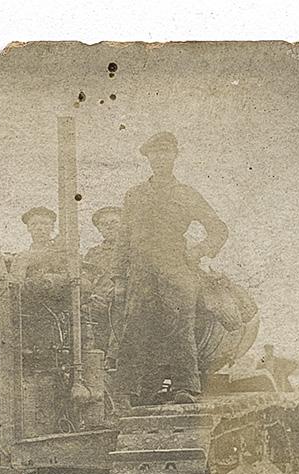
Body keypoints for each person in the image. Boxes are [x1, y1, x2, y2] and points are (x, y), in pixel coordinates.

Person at [115, 131, 229, 405]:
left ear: (175, 156)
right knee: (135, 329)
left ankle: (185, 388)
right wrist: (118, 276)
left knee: (180, 328)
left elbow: (218, 230)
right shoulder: (135, 195)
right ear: (148, 157)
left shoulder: (186, 194)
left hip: (176, 269)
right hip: (141, 272)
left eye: (166, 152)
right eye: (155, 153)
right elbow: (123, 236)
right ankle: (128, 393)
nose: (160, 158)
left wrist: (198, 251)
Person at [82, 206, 127, 356]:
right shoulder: (93, 253)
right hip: (95, 303)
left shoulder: (131, 251)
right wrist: (89, 296)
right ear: (99, 229)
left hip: (122, 302)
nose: (109, 227)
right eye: (104, 224)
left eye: (114, 222)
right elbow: (85, 278)